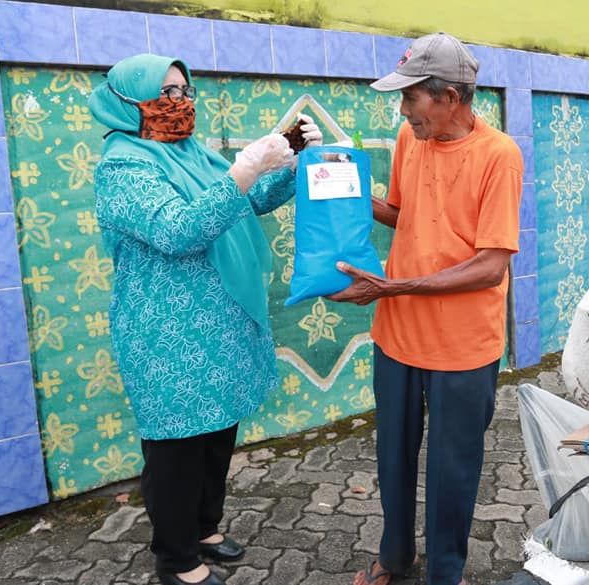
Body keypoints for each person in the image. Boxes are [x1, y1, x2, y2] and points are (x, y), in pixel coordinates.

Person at [89, 54, 323, 585]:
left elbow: (246, 200)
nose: (180, 103)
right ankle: (176, 558)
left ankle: (204, 529)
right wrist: (243, 166)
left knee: (216, 436)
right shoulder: (124, 166)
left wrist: (284, 161)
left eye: (185, 92)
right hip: (164, 334)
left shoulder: (191, 154)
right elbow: (177, 230)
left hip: (219, 325)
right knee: (176, 447)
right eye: (165, 93)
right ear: (128, 100)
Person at [329, 33, 523, 585]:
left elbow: (491, 265)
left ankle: (445, 571)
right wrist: (339, 191)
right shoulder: (409, 137)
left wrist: (393, 287)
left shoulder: (498, 155)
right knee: (392, 457)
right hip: (397, 335)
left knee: (451, 470)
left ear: (449, 98)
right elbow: (402, 212)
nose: (402, 109)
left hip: (463, 347)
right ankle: (396, 557)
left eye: (411, 97)